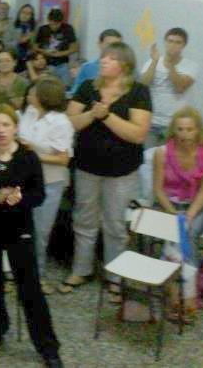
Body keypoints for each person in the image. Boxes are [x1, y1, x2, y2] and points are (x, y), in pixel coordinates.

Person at [0, 105, 64, 367]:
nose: (1, 130)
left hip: (19, 230)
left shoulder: (28, 158)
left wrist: (21, 199)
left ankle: (47, 347)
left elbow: (39, 195)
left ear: (15, 128)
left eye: (6, 125)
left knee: (30, 288)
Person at [59, 43, 151, 299]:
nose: (103, 61)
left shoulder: (138, 92)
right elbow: (69, 122)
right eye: (103, 57)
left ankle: (115, 277)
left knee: (114, 224)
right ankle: (81, 269)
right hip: (88, 166)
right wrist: (93, 114)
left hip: (121, 171)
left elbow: (137, 134)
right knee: (84, 219)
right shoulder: (89, 87)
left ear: (125, 64)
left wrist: (108, 116)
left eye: (111, 58)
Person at [152, 106, 203, 323]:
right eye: (180, 129)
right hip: (167, 205)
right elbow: (158, 189)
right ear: (174, 131)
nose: (184, 134)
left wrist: (188, 216)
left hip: (196, 207)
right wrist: (173, 213)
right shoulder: (161, 153)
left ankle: (186, 294)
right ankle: (178, 296)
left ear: (198, 131)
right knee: (174, 233)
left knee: (187, 233)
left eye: (189, 129)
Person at [18, 78, 74, 293]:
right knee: (22, 228)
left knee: (40, 231)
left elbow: (63, 159)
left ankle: (37, 276)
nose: (29, 96)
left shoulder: (61, 122)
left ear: (44, 97)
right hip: (24, 180)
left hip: (49, 182)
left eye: (34, 93)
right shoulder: (30, 113)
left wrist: (33, 153)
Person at [139, 28, 198, 147]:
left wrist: (171, 64)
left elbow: (180, 88)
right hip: (151, 121)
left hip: (175, 124)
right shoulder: (152, 61)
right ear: (165, 42)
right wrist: (155, 62)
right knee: (147, 159)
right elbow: (143, 85)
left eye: (178, 42)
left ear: (184, 45)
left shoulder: (191, 66)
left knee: (169, 161)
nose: (173, 45)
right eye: (170, 41)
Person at [34, 8, 78, 86]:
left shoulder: (68, 29)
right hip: (46, 64)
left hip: (63, 63)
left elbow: (75, 48)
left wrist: (60, 54)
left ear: (61, 22)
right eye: (51, 24)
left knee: (66, 86)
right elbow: (35, 47)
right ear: (48, 20)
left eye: (56, 24)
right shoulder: (43, 29)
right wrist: (45, 51)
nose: (53, 26)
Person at [70, 29, 122, 94]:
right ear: (99, 44)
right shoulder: (87, 67)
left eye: (117, 45)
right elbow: (76, 92)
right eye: (109, 44)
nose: (113, 48)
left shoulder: (128, 68)